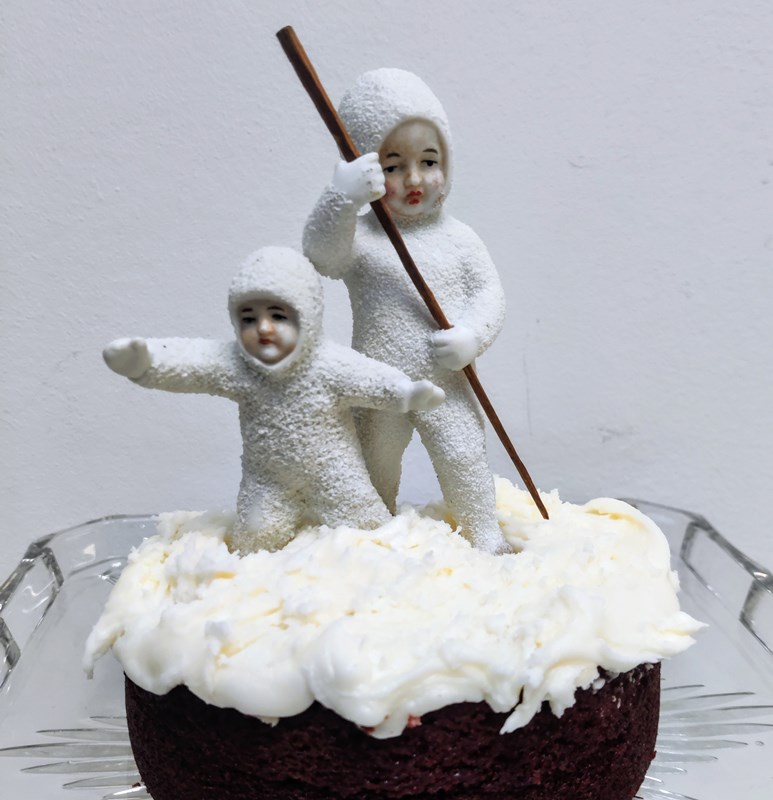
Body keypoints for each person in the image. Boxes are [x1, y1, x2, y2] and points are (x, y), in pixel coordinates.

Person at [103, 246, 444, 553]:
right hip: (267, 481)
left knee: (370, 534)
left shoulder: (328, 364)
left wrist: (405, 392)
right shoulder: (235, 365)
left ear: (307, 315)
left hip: (336, 472)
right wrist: (147, 363)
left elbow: (371, 378)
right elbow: (192, 360)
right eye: (249, 318)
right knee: (254, 540)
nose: (263, 328)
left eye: (278, 316)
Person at [303, 68, 508, 554]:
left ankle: (486, 536)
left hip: (446, 382)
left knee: (463, 456)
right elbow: (321, 255)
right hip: (377, 384)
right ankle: (374, 541)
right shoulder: (362, 237)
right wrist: (340, 198)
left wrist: (472, 336)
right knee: (373, 464)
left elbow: (490, 295)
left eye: (429, 161)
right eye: (393, 166)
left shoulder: (459, 239)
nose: (415, 180)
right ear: (367, 169)